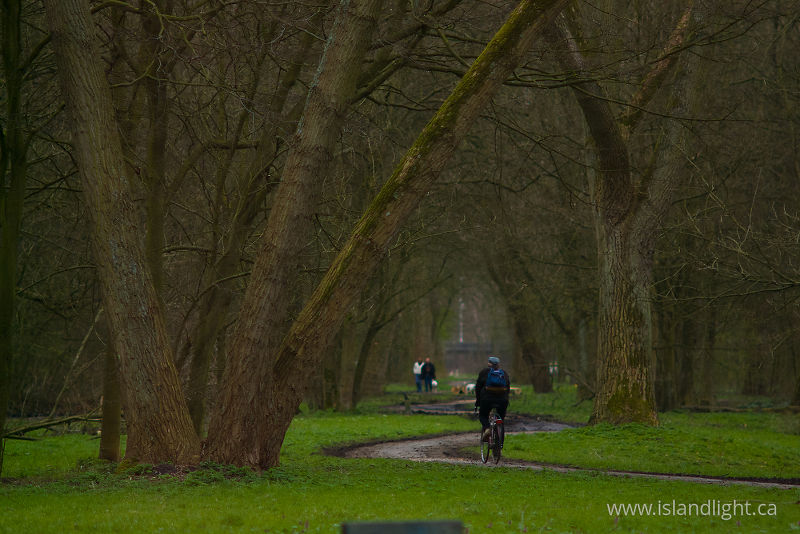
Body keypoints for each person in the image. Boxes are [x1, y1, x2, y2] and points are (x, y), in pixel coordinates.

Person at [475, 355, 510, 441]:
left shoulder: (484, 372)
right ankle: (499, 445)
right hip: (502, 400)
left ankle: (487, 429)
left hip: (487, 399)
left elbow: (478, 388)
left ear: (489, 364)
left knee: (483, 415)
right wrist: (506, 399)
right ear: (498, 364)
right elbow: (508, 388)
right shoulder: (504, 373)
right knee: (500, 419)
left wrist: (478, 402)